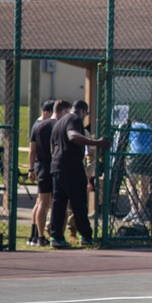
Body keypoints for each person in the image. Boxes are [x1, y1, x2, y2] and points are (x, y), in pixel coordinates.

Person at [48, 100, 110, 249]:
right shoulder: (74, 119)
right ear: (83, 111)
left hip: (57, 166)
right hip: (71, 167)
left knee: (59, 203)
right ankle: (86, 236)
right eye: (86, 114)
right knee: (79, 202)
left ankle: (56, 237)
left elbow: (52, 144)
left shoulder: (59, 121)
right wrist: (96, 142)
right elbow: (73, 136)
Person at [26, 99, 59, 246]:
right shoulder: (47, 126)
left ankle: (33, 235)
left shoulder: (36, 125)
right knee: (44, 204)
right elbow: (33, 150)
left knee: (39, 202)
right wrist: (31, 168)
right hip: (47, 165)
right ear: (47, 112)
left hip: (39, 166)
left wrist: (31, 168)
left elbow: (31, 150)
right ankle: (40, 236)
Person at [124, 116, 152, 223]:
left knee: (131, 184)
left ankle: (134, 210)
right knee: (144, 187)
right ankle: (139, 213)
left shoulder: (132, 128)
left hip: (135, 156)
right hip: (148, 157)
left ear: (133, 121)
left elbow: (124, 143)